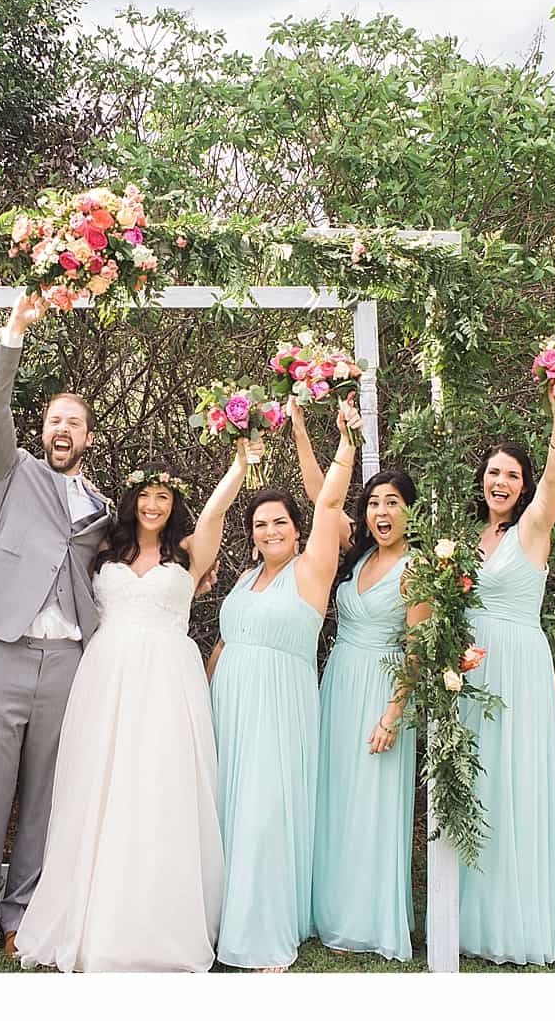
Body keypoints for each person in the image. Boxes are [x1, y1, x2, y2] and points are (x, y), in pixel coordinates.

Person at [15, 452, 250, 973]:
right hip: (108, 674)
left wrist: (239, 463)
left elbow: (214, 514)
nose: (152, 504)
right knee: (100, 784)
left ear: (173, 505)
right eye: (145, 495)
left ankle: (162, 921)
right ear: (130, 502)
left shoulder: (190, 553)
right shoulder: (104, 550)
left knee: (161, 785)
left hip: (168, 676)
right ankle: (93, 913)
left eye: (163, 496)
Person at [0, 290, 115, 953]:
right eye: (54, 419)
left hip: (69, 658)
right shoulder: (11, 471)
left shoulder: (104, 506)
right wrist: (13, 331)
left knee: (46, 794)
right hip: (4, 649)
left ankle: (21, 914)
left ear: (89, 436)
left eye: (74, 421)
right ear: (40, 429)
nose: (63, 429)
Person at [208, 402, 359, 970]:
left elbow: (330, 502)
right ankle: (218, 920)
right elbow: (222, 644)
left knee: (266, 811)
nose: (269, 530)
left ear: (298, 533)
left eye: (280, 522)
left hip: (279, 704)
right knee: (226, 809)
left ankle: (263, 933)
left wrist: (342, 438)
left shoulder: (311, 571)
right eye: (260, 524)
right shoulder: (246, 579)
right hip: (230, 705)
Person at [460, 376, 555, 967]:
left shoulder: (533, 528)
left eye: (511, 473)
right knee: (478, 784)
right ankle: (471, 917)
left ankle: (516, 920)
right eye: (493, 472)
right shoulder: (465, 538)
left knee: (517, 781)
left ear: (525, 485)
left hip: (519, 665)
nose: (500, 481)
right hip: (472, 669)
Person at [310, 464, 431, 962]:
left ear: (410, 510)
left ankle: (366, 920)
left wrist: (393, 713)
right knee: (336, 796)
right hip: (340, 681)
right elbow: (324, 501)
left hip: (382, 689)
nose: (382, 512)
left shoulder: (417, 568)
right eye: (375, 502)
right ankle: (331, 910)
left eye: (392, 502)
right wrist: (300, 423)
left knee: (372, 803)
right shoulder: (358, 556)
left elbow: (416, 648)